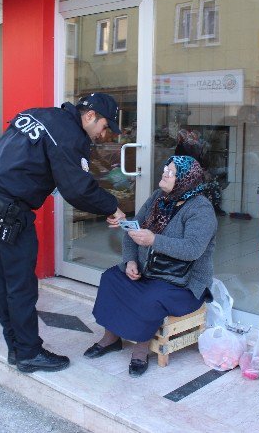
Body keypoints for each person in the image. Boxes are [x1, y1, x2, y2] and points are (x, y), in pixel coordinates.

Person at [0, 93, 126, 373]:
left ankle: (17, 349)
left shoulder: (39, 114)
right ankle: (29, 353)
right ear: (90, 116)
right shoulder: (69, 134)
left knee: (6, 283)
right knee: (21, 287)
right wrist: (112, 207)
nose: (103, 134)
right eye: (105, 126)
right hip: (7, 213)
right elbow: (78, 189)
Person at [84, 155, 217, 377]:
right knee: (111, 278)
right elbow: (133, 231)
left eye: (171, 172)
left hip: (184, 284)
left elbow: (192, 249)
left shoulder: (200, 209)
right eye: (166, 168)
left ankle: (140, 350)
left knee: (150, 296)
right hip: (151, 271)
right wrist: (131, 261)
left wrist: (153, 240)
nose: (165, 173)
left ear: (186, 179)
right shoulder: (159, 197)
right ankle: (111, 338)